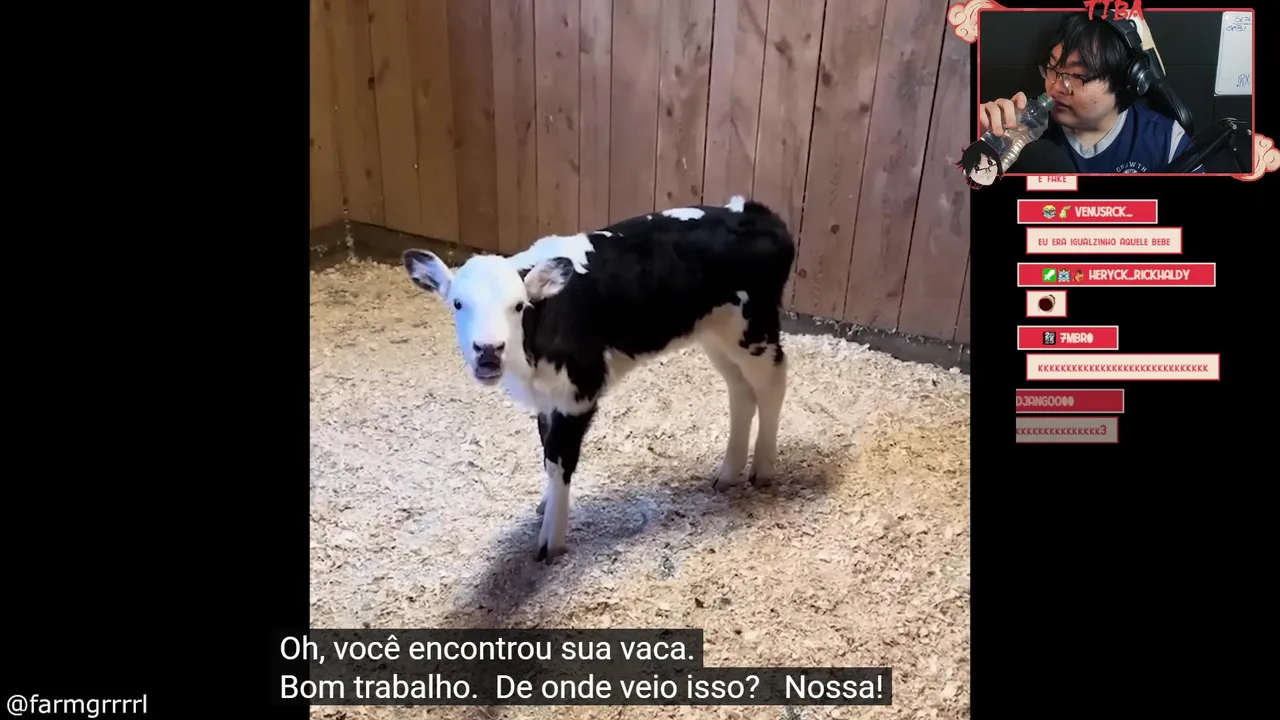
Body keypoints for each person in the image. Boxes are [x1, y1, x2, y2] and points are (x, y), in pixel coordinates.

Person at [980, 14, 1202, 173]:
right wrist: (978, 139)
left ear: (1125, 82)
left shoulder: (1166, 141)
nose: (1055, 87)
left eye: (1077, 76)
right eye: (1052, 69)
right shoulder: (1023, 129)